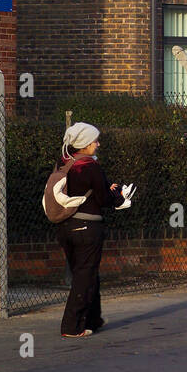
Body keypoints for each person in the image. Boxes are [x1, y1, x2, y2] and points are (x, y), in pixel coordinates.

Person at [56, 122, 135, 338]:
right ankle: (71, 326)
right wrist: (118, 196)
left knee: (85, 273)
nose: (98, 144)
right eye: (94, 141)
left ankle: (92, 319)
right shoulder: (90, 166)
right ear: (84, 144)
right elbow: (103, 198)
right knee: (85, 275)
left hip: (65, 226)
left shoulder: (63, 163)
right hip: (87, 227)